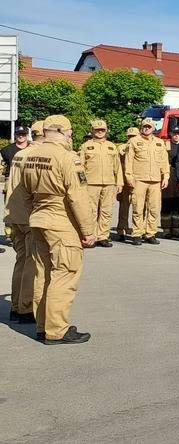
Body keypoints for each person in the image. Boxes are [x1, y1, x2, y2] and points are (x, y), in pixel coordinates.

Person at [24, 115, 97, 344]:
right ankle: (57, 331)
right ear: (64, 131)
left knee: (43, 274)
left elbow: (24, 191)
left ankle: (43, 325)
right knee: (64, 274)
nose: (71, 136)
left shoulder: (31, 154)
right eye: (70, 132)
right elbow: (77, 197)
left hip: (38, 218)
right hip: (61, 221)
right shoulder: (67, 157)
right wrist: (88, 231)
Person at [6, 125, 36, 323]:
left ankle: (17, 307)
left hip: (15, 214)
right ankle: (25, 309)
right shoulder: (34, 156)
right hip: (30, 216)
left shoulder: (18, 156)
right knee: (31, 263)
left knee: (21, 261)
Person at [124, 117, 170, 245]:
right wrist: (129, 177)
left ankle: (150, 233)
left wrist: (165, 176)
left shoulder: (160, 142)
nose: (147, 128)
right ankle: (137, 234)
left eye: (149, 127)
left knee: (154, 209)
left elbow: (164, 162)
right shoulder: (133, 141)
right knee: (138, 208)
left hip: (155, 180)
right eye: (145, 126)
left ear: (153, 128)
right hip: (139, 180)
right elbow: (129, 161)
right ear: (141, 127)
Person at [79, 119, 121, 248]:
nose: (100, 132)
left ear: (106, 131)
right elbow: (80, 167)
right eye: (97, 130)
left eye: (102, 130)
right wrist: (82, 184)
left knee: (106, 211)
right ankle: (91, 236)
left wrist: (119, 182)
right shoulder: (86, 146)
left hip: (109, 183)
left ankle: (103, 236)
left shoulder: (111, 146)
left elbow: (117, 167)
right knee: (90, 212)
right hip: (91, 184)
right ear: (92, 131)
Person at [161, 127, 179, 238]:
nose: (176, 136)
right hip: (168, 175)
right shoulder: (166, 145)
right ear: (171, 134)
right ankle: (166, 229)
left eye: (178, 134)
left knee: (178, 203)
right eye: (174, 133)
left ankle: (175, 228)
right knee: (167, 203)